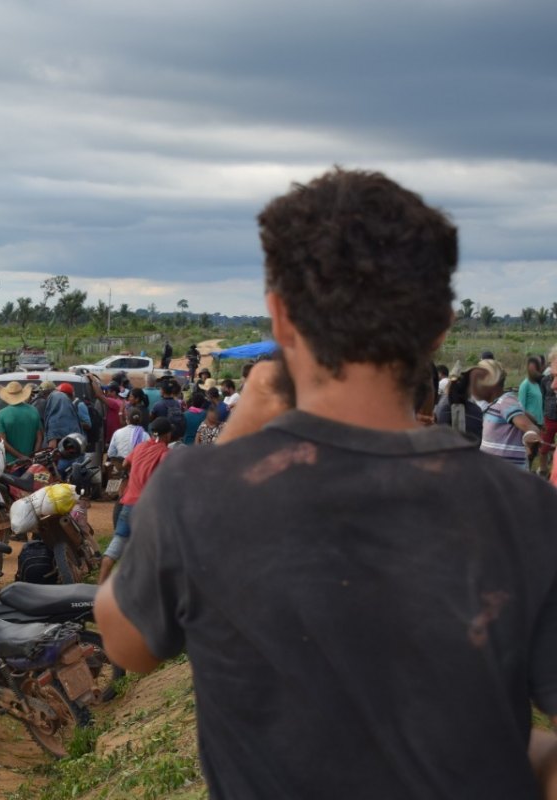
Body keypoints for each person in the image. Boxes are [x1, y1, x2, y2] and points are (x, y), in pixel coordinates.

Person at [97, 167, 557, 798]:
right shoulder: (527, 511)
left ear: (282, 321)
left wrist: (237, 436)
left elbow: (126, 642)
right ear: (441, 328)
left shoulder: (199, 491)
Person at [99, 417, 173, 583]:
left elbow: (125, 463)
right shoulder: (164, 452)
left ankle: (99, 588)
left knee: (115, 546)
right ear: (167, 435)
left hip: (129, 503)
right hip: (148, 507)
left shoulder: (140, 447)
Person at [474, 359, 542, 469]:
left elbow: (530, 426)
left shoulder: (506, 402)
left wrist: (531, 435)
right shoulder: (494, 404)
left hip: (508, 474)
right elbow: (530, 418)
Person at [0, 381, 41, 466]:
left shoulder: (2, 414)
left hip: (11, 464)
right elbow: (40, 437)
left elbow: (2, 441)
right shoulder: (34, 410)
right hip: (30, 462)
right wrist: (33, 456)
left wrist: (21, 457)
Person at [42, 383, 84, 448]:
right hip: (75, 455)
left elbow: (52, 447)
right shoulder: (73, 416)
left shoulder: (53, 421)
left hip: (61, 456)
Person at [519, 355, 545, 425]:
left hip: (539, 423)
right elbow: (520, 408)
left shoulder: (537, 384)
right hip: (530, 423)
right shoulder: (525, 385)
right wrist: (532, 419)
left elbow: (539, 405)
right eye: (531, 369)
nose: (533, 372)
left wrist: (542, 422)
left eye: (534, 369)